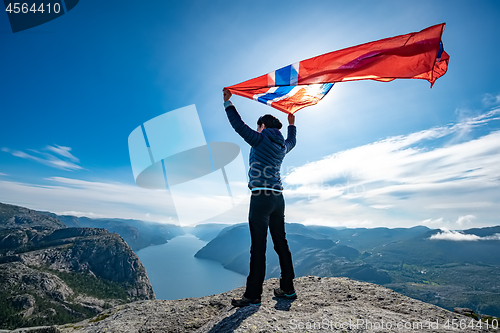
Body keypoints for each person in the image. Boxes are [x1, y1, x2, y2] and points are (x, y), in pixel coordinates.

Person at [223, 88, 298, 307]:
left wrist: (228, 103)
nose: (256, 129)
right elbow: (292, 140)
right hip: (278, 199)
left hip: (260, 198)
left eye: (258, 126)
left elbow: (238, 125)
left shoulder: (258, 139)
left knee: (258, 248)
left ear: (263, 126)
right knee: (281, 243)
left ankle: (253, 294)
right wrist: (291, 123)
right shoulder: (282, 146)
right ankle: (288, 288)